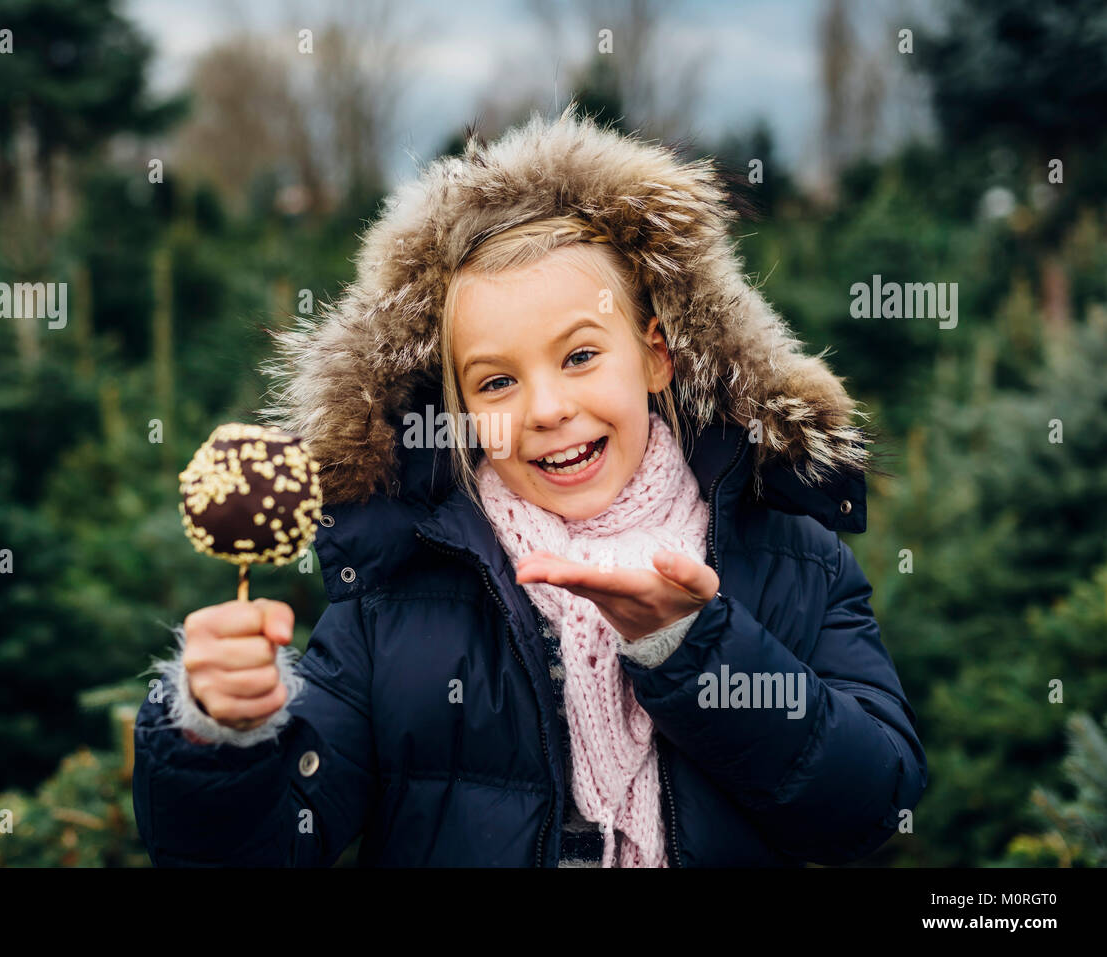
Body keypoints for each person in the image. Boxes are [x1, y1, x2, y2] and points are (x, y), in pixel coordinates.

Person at [132, 103, 927, 867]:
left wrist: (697, 645)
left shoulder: (791, 556)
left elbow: (867, 805)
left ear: (657, 354)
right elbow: (261, 848)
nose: (547, 409)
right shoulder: (394, 597)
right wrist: (216, 736)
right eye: (497, 381)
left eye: (580, 356)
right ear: (459, 410)